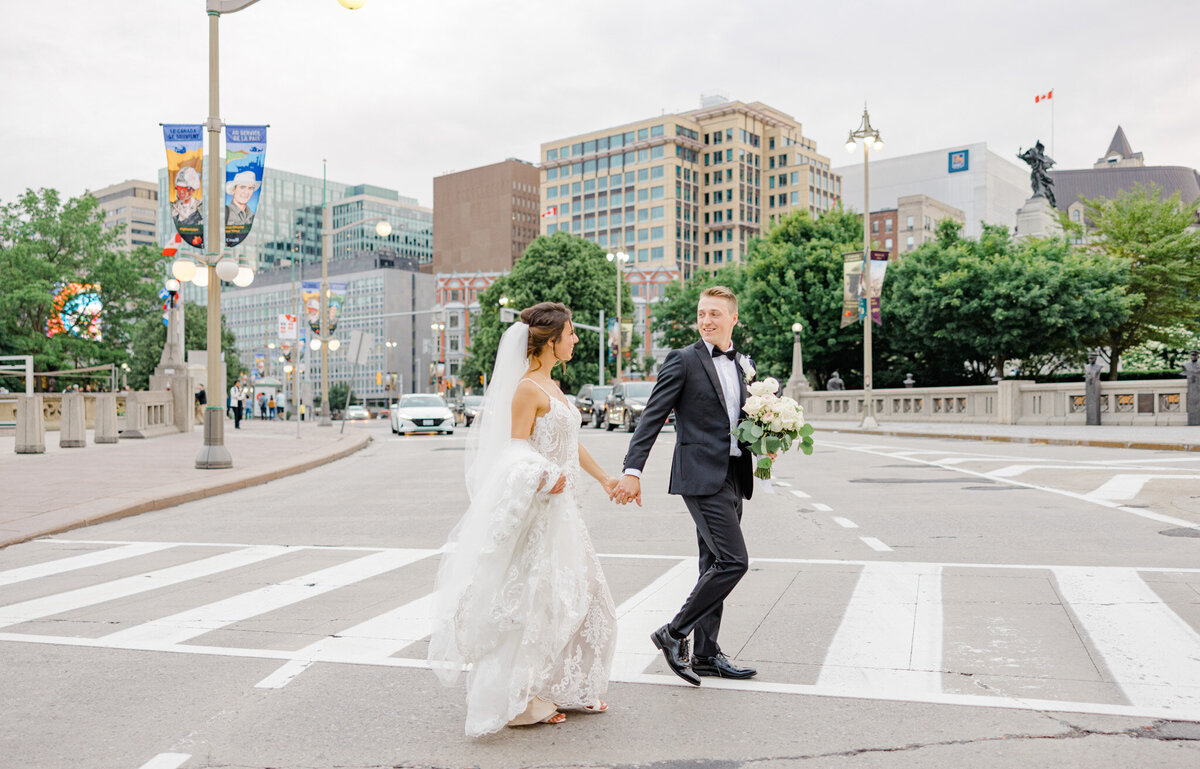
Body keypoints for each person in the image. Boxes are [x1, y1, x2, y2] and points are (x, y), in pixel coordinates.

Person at [429, 302, 618, 737]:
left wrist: (605, 478)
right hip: (541, 510)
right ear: (550, 342)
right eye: (570, 334)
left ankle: (571, 684)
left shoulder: (552, 385)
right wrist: (544, 475)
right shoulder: (527, 389)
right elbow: (513, 450)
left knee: (585, 594)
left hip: (565, 511)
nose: (575, 339)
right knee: (539, 603)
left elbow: (571, 444)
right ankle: (525, 700)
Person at [612, 285, 759, 685]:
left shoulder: (744, 364)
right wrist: (633, 469)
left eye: (715, 313)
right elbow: (652, 418)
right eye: (701, 313)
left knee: (712, 563)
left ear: (733, 318)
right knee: (734, 561)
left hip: (734, 474)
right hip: (699, 476)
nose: (706, 320)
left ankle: (708, 655)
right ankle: (674, 633)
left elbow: (743, 419)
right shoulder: (683, 360)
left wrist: (765, 443)